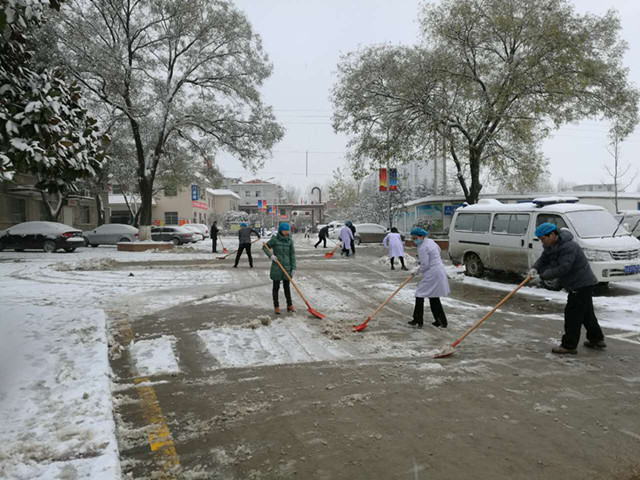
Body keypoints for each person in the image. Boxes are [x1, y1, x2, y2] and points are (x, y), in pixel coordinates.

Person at [530, 222, 606, 354]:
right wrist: (535, 268)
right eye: (540, 239)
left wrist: (542, 277)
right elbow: (544, 259)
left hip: (581, 284)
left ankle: (569, 345)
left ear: (552, 235)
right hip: (580, 284)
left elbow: (563, 268)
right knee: (586, 314)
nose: (542, 242)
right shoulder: (551, 245)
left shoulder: (568, 247)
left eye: (543, 238)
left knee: (572, 315)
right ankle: (596, 339)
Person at [409, 227, 449, 328]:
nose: (414, 240)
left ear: (422, 236)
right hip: (438, 270)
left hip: (432, 273)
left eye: (415, 238)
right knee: (433, 296)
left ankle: (418, 320)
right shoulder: (430, 242)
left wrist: (416, 271)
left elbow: (425, 265)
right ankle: (441, 321)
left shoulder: (423, 247)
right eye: (413, 238)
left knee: (419, 294)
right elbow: (438, 251)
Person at [263, 222, 296, 314]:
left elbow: (292, 254)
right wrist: (271, 256)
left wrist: (293, 267)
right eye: (285, 230)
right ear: (281, 230)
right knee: (276, 287)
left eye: (287, 230)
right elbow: (265, 247)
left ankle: (289, 305)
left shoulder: (290, 240)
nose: (286, 232)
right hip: (277, 266)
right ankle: (276, 306)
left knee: (287, 287)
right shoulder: (275, 239)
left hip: (287, 266)